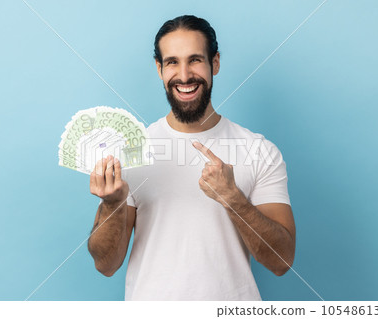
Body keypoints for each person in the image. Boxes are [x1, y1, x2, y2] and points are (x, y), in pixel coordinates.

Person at [87, 15, 296, 301]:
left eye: (195, 60)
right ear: (159, 69)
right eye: (172, 62)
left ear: (215, 63)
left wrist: (233, 200)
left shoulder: (259, 150)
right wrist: (113, 203)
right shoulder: (133, 152)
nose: (184, 76)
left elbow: (281, 261)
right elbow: (105, 265)